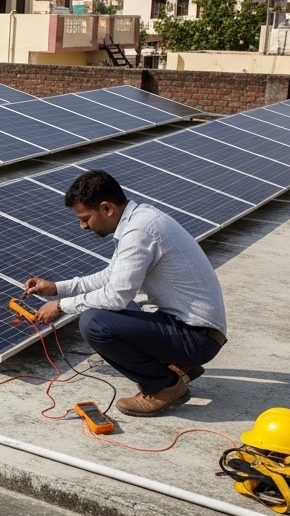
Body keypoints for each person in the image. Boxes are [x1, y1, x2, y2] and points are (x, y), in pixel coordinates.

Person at [22, 170, 227, 417]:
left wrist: (61, 306)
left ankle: (163, 386)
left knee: (94, 322)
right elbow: (110, 277)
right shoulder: (138, 220)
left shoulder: (139, 231)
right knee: (112, 308)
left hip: (197, 338)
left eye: (86, 218)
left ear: (107, 208)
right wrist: (56, 288)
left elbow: (115, 295)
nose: (82, 226)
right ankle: (181, 365)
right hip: (193, 329)